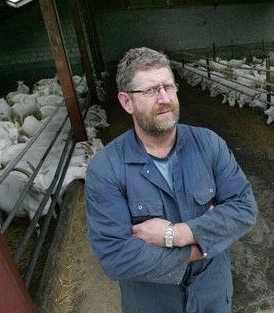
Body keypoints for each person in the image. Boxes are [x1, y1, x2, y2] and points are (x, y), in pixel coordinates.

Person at [85, 47, 258, 313]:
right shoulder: (106, 168)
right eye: (151, 90)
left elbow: (244, 209)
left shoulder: (209, 144)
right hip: (152, 303)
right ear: (126, 102)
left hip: (212, 296)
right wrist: (201, 245)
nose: (164, 98)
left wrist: (174, 235)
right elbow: (115, 255)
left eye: (168, 86)